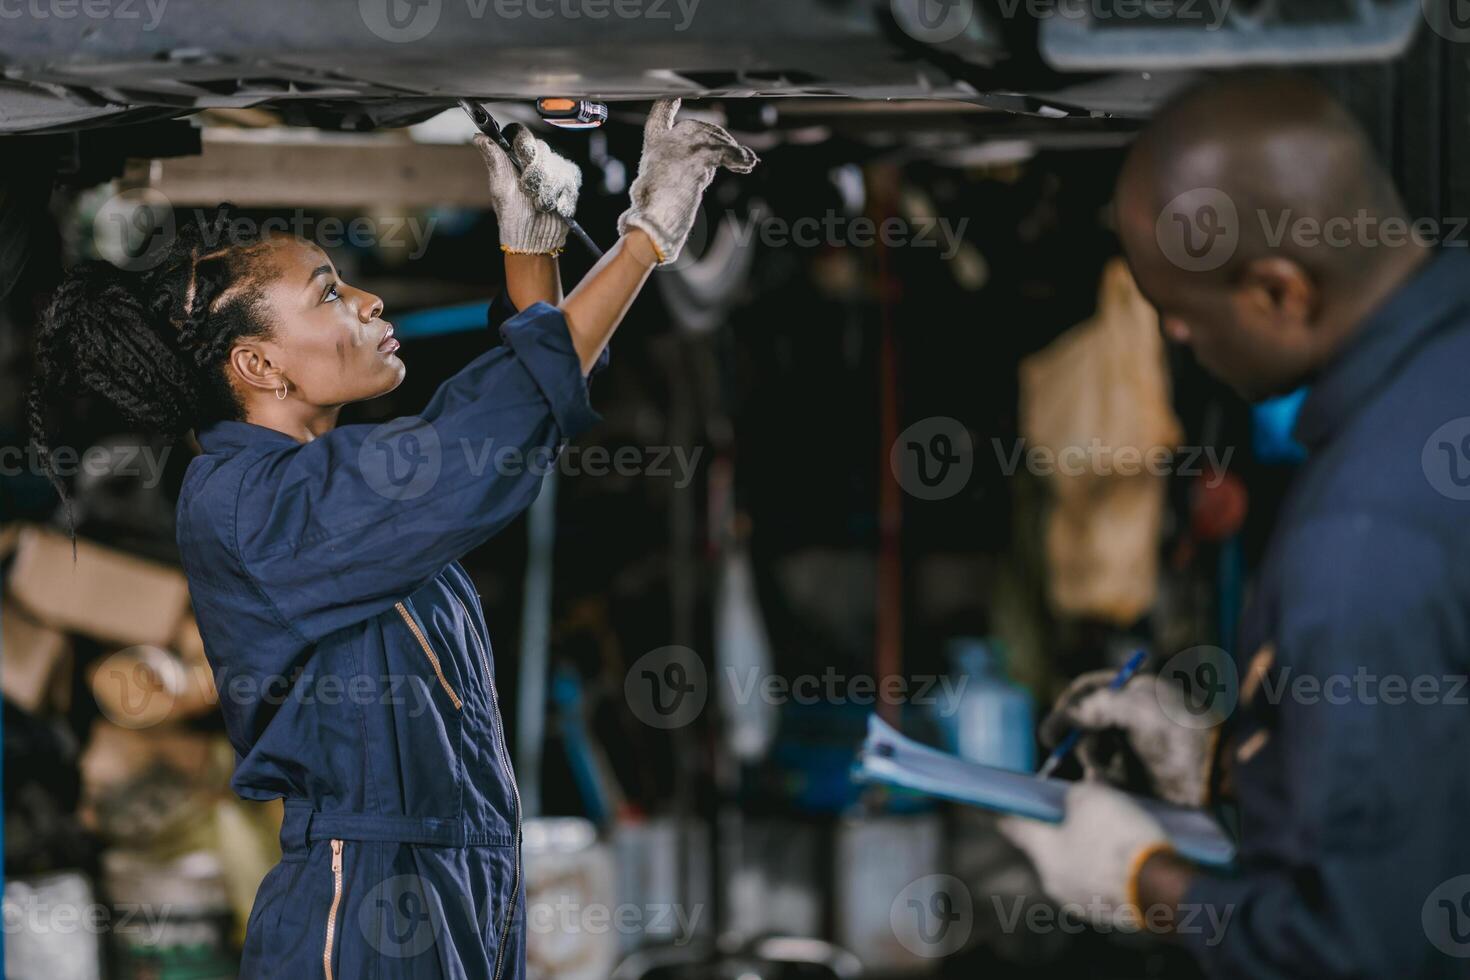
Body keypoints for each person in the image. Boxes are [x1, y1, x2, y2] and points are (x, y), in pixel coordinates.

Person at [26, 99, 756, 979]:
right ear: (259, 365)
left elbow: (529, 403)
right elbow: (500, 423)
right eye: (330, 293)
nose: (369, 300)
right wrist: (646, 233)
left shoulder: (325, 489)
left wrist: (532, 244)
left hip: (453, 875)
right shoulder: (255, 506)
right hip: (367, 904)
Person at [1000, 74, 1470, 978]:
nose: (1176, 338)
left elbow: (1355, 950)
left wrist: (1145, 879)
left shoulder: (1362, 544)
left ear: (1281, 292)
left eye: (1182, 314)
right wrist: (1241, 761)